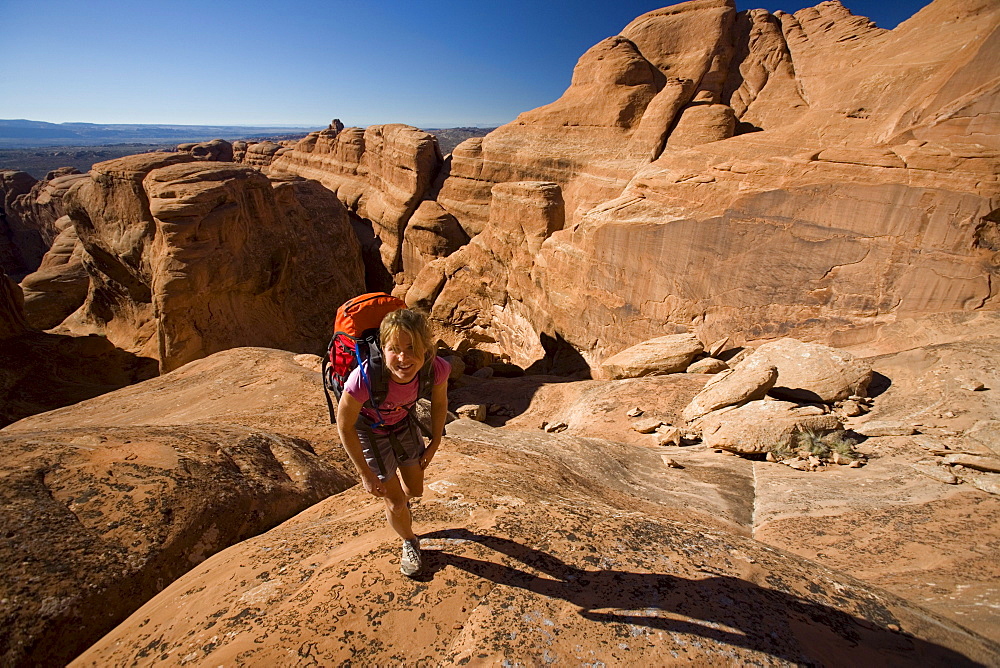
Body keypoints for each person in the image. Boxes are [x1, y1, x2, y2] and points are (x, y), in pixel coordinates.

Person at [336, 308, 450, 577]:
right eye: (394, 348)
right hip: (370, 431)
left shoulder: (436, 368)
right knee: (396, 503)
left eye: (412, 347)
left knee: (415, 489)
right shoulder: (362, 379)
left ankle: (399, 506)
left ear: (426, 346)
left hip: (402, 424)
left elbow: (440, 402)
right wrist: (365, 473)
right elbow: (345, 425)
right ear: (383, 348)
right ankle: (409, 540)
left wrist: (435, 441)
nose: (403, 358)